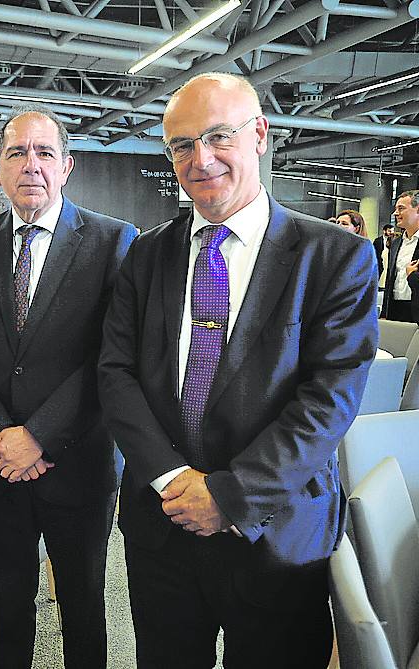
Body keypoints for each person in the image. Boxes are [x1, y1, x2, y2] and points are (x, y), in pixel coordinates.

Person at [98, 73, 378, 669]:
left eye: (217, 136)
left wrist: (229, 496)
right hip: (164, 524)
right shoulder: (145, 255)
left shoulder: (333, 257)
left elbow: (329, 399)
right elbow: (115, 375)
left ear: (260, 135)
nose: (200, 160)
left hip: (277, 531)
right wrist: (175, 480)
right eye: (181, 145)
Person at [0, 105, 137, 669]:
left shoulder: (112, 242)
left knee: (83, 608)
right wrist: (3, 436)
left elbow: (112, 356)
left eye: (45, 152)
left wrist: (40, 437)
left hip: (78, 463)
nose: (31, 165)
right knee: (7, 602)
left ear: (67, 165)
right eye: (17, 153)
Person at [381, 190, 419, 325]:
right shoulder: (396, 244)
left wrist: (413, 275)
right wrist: (384, 312)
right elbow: (390, 280)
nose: (395, 213)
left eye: (401, 208)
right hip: (395, 310)